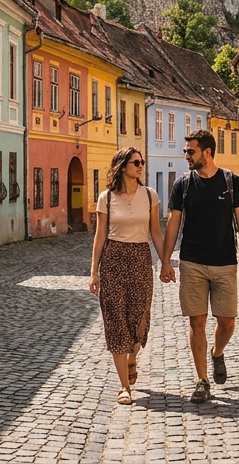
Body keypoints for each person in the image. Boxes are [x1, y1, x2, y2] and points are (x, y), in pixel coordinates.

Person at [161, 129, 239, 404]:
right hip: (192, 262)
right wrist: (166, 260)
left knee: (226, 321)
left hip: (225, 262)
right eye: (186, 150)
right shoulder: (183, 184)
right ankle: (202, 380)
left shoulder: (231, 182)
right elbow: (173, 223)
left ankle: (217, 353)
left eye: (191, 151)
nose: (185, 155)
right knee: (196, 320)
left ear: (207, 152)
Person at [89, 148, 167, 406]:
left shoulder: (150, 196)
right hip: (113, 260)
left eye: (142, 162)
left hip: (141, 260)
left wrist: (166, 261)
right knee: (115, 322)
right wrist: (94, 272)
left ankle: (132, 356)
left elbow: (156, 232)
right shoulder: (107, 198)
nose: (141, 166)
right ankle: (124, 387)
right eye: (136, 162)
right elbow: (100, 236)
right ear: (123, 166)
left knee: (139, 319)